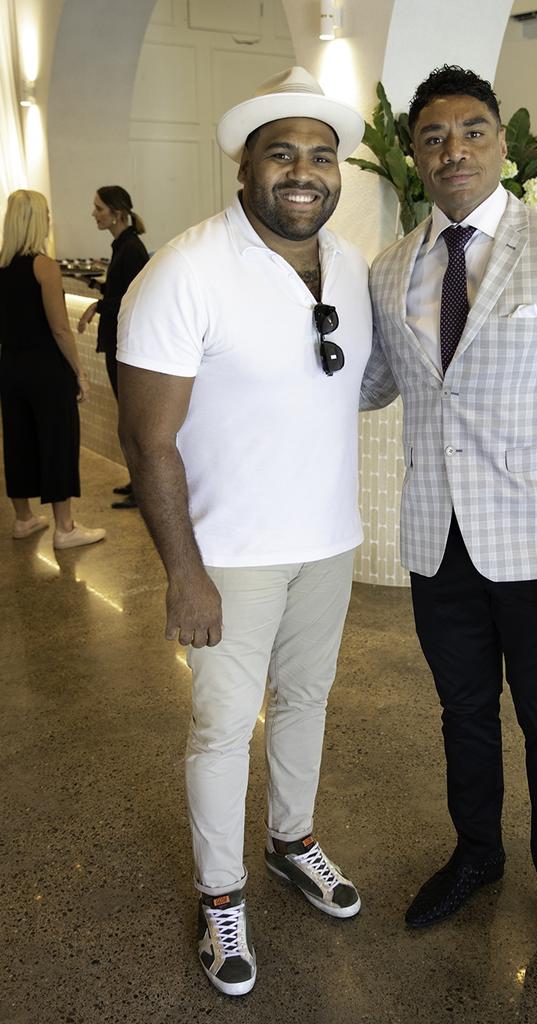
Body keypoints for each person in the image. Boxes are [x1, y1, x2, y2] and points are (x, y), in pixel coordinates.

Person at [360, 66, 537, 987]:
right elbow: (371, 386)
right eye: (434, 137)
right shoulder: (392, 267)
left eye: (473, 131)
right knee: (463, 715)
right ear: (415, 155)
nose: (455, 150)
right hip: (438, 543)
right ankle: (478, 852)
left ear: (502, 145)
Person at [116, 67, 370, 997]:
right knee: (224, 728)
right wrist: (183, 572)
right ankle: (220, 894)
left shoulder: (346, 262)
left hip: (328, 542)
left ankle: (291, 840)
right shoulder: (185, 270)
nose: (303, 172)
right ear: (244, 168)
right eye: (281, 154)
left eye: (320, 156)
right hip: (227, 554)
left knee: (307, 702)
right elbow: (145, 443)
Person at [0, 190, 106, 549]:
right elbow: (60, 328)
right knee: (58, 441)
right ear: (35, 220)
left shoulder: (1, 266)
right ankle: (65, 528)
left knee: (17, 440)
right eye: (45, 213)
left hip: (11, 367)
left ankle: (23, 519)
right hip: (46, 369)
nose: (50, 219)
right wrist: (80, 372)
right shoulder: (43, 266)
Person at [77, 185, 149, 509]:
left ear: (117, 212)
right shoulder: (123, 245)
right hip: (117, 341)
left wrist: (99, 305)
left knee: (133, 420)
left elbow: (137, 299)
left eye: (99, 208)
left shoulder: (131, 248)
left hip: (125, 343)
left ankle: (144, 488)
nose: (94, 213)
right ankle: (138, 482)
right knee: (127, 417)